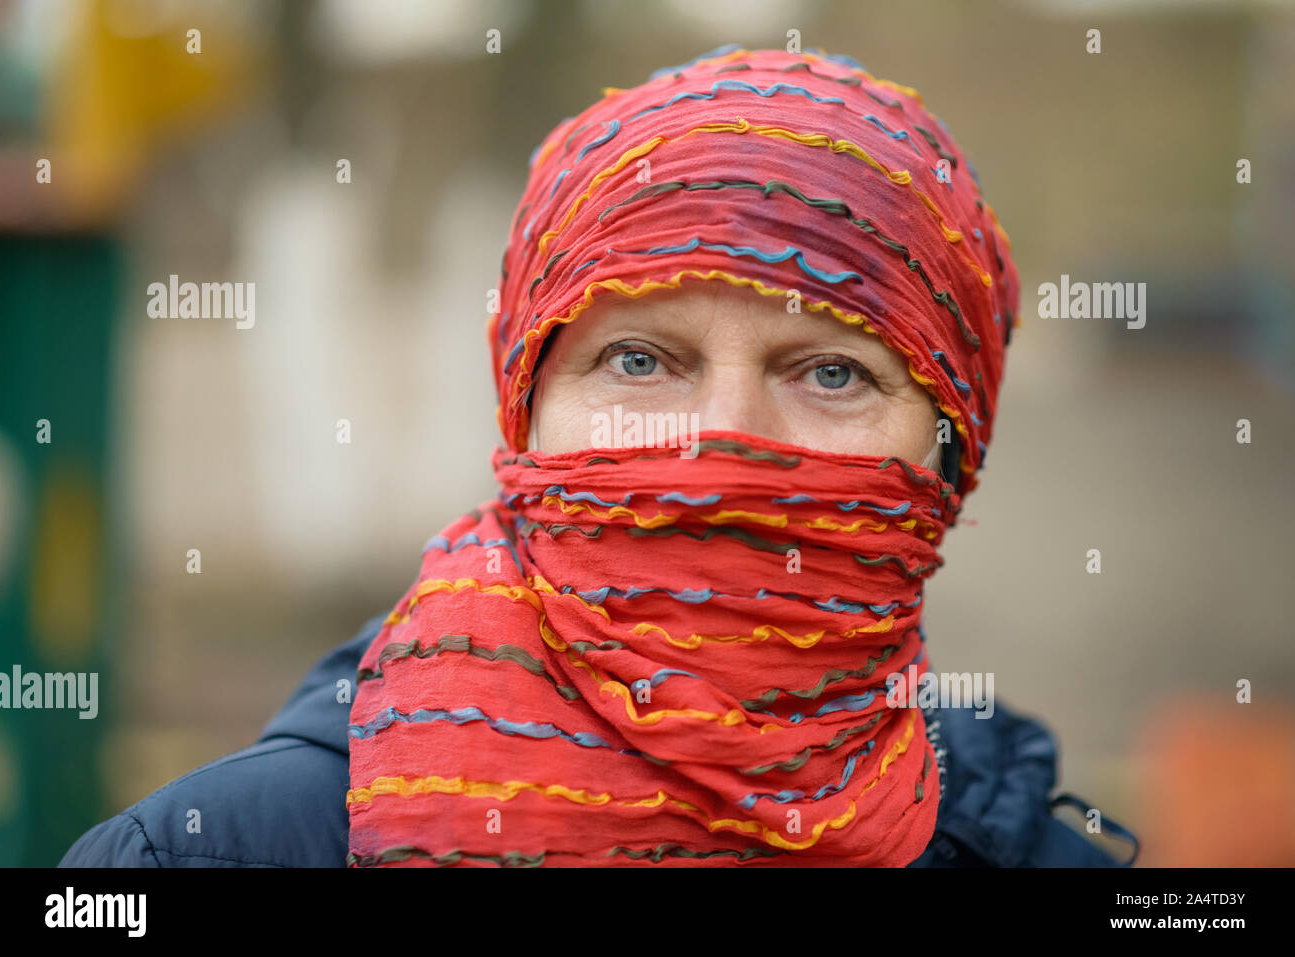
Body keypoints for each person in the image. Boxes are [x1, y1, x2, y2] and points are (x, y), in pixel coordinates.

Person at [60, 44, 1138, 868]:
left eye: (830, 373)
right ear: (523, 410)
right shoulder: (210, 856)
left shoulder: (1027, 846)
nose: (724, 441)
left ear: (951, 451)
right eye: (638, 360)